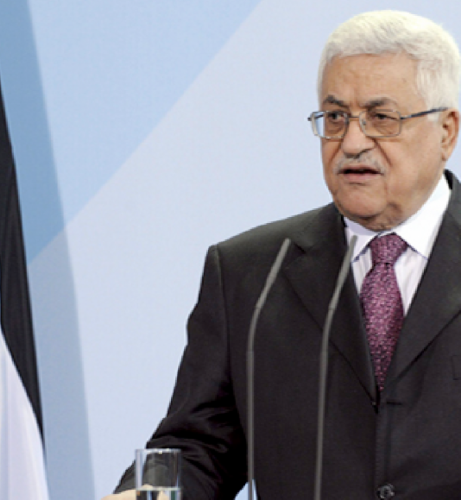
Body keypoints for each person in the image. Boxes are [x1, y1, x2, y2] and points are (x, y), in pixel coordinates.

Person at [103, 10, 461, 499]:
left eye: (381, 118)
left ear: (446, 131)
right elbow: (201, 446)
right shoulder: (251, 273)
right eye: (335, 117)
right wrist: (153, 492)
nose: (352, 142)